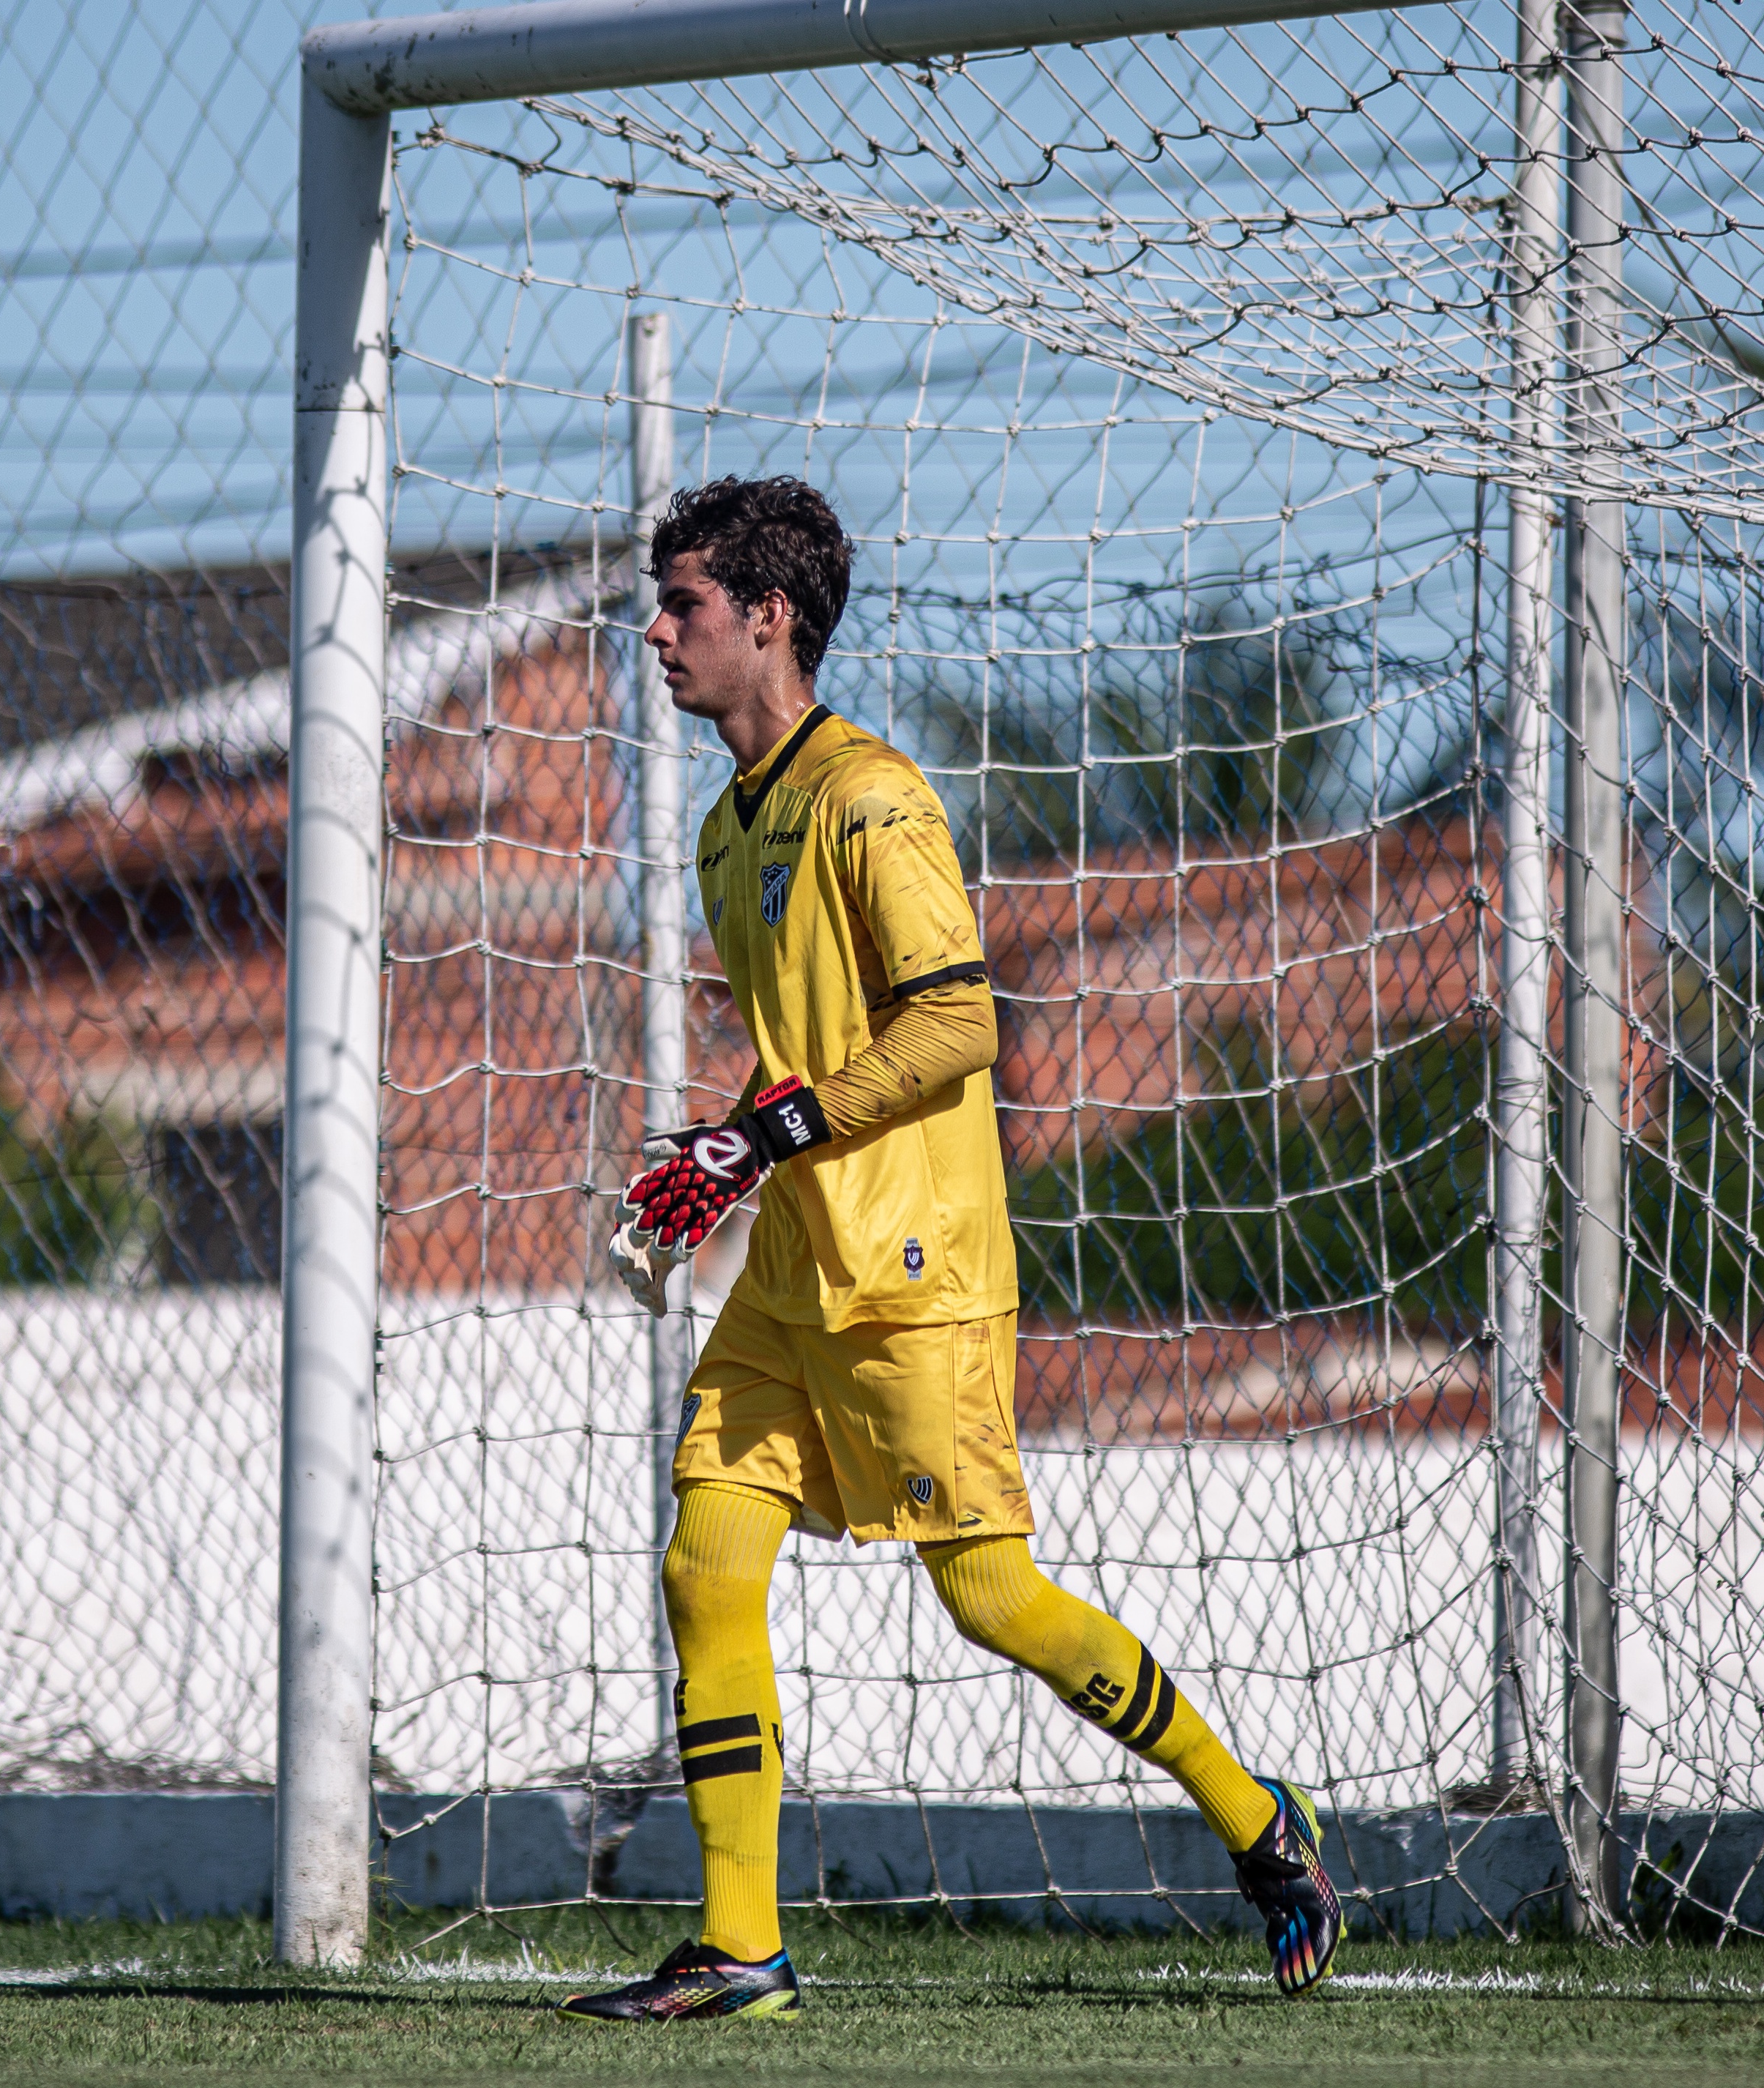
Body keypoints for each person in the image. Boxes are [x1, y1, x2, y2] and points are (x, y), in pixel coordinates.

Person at [564, 475, 1340, 2024]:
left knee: (989, 1600)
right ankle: (741, 1946)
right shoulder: (732, 824)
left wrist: (767, 1138)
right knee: (705, 1554)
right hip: (796, 1264)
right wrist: (728, 1155)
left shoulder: (876, 797)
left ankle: (1261, 1821)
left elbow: (962, 1018)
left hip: (914, 1269)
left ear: (768, 621)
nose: (656, 633)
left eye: (685, 607)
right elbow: (812, 1051)